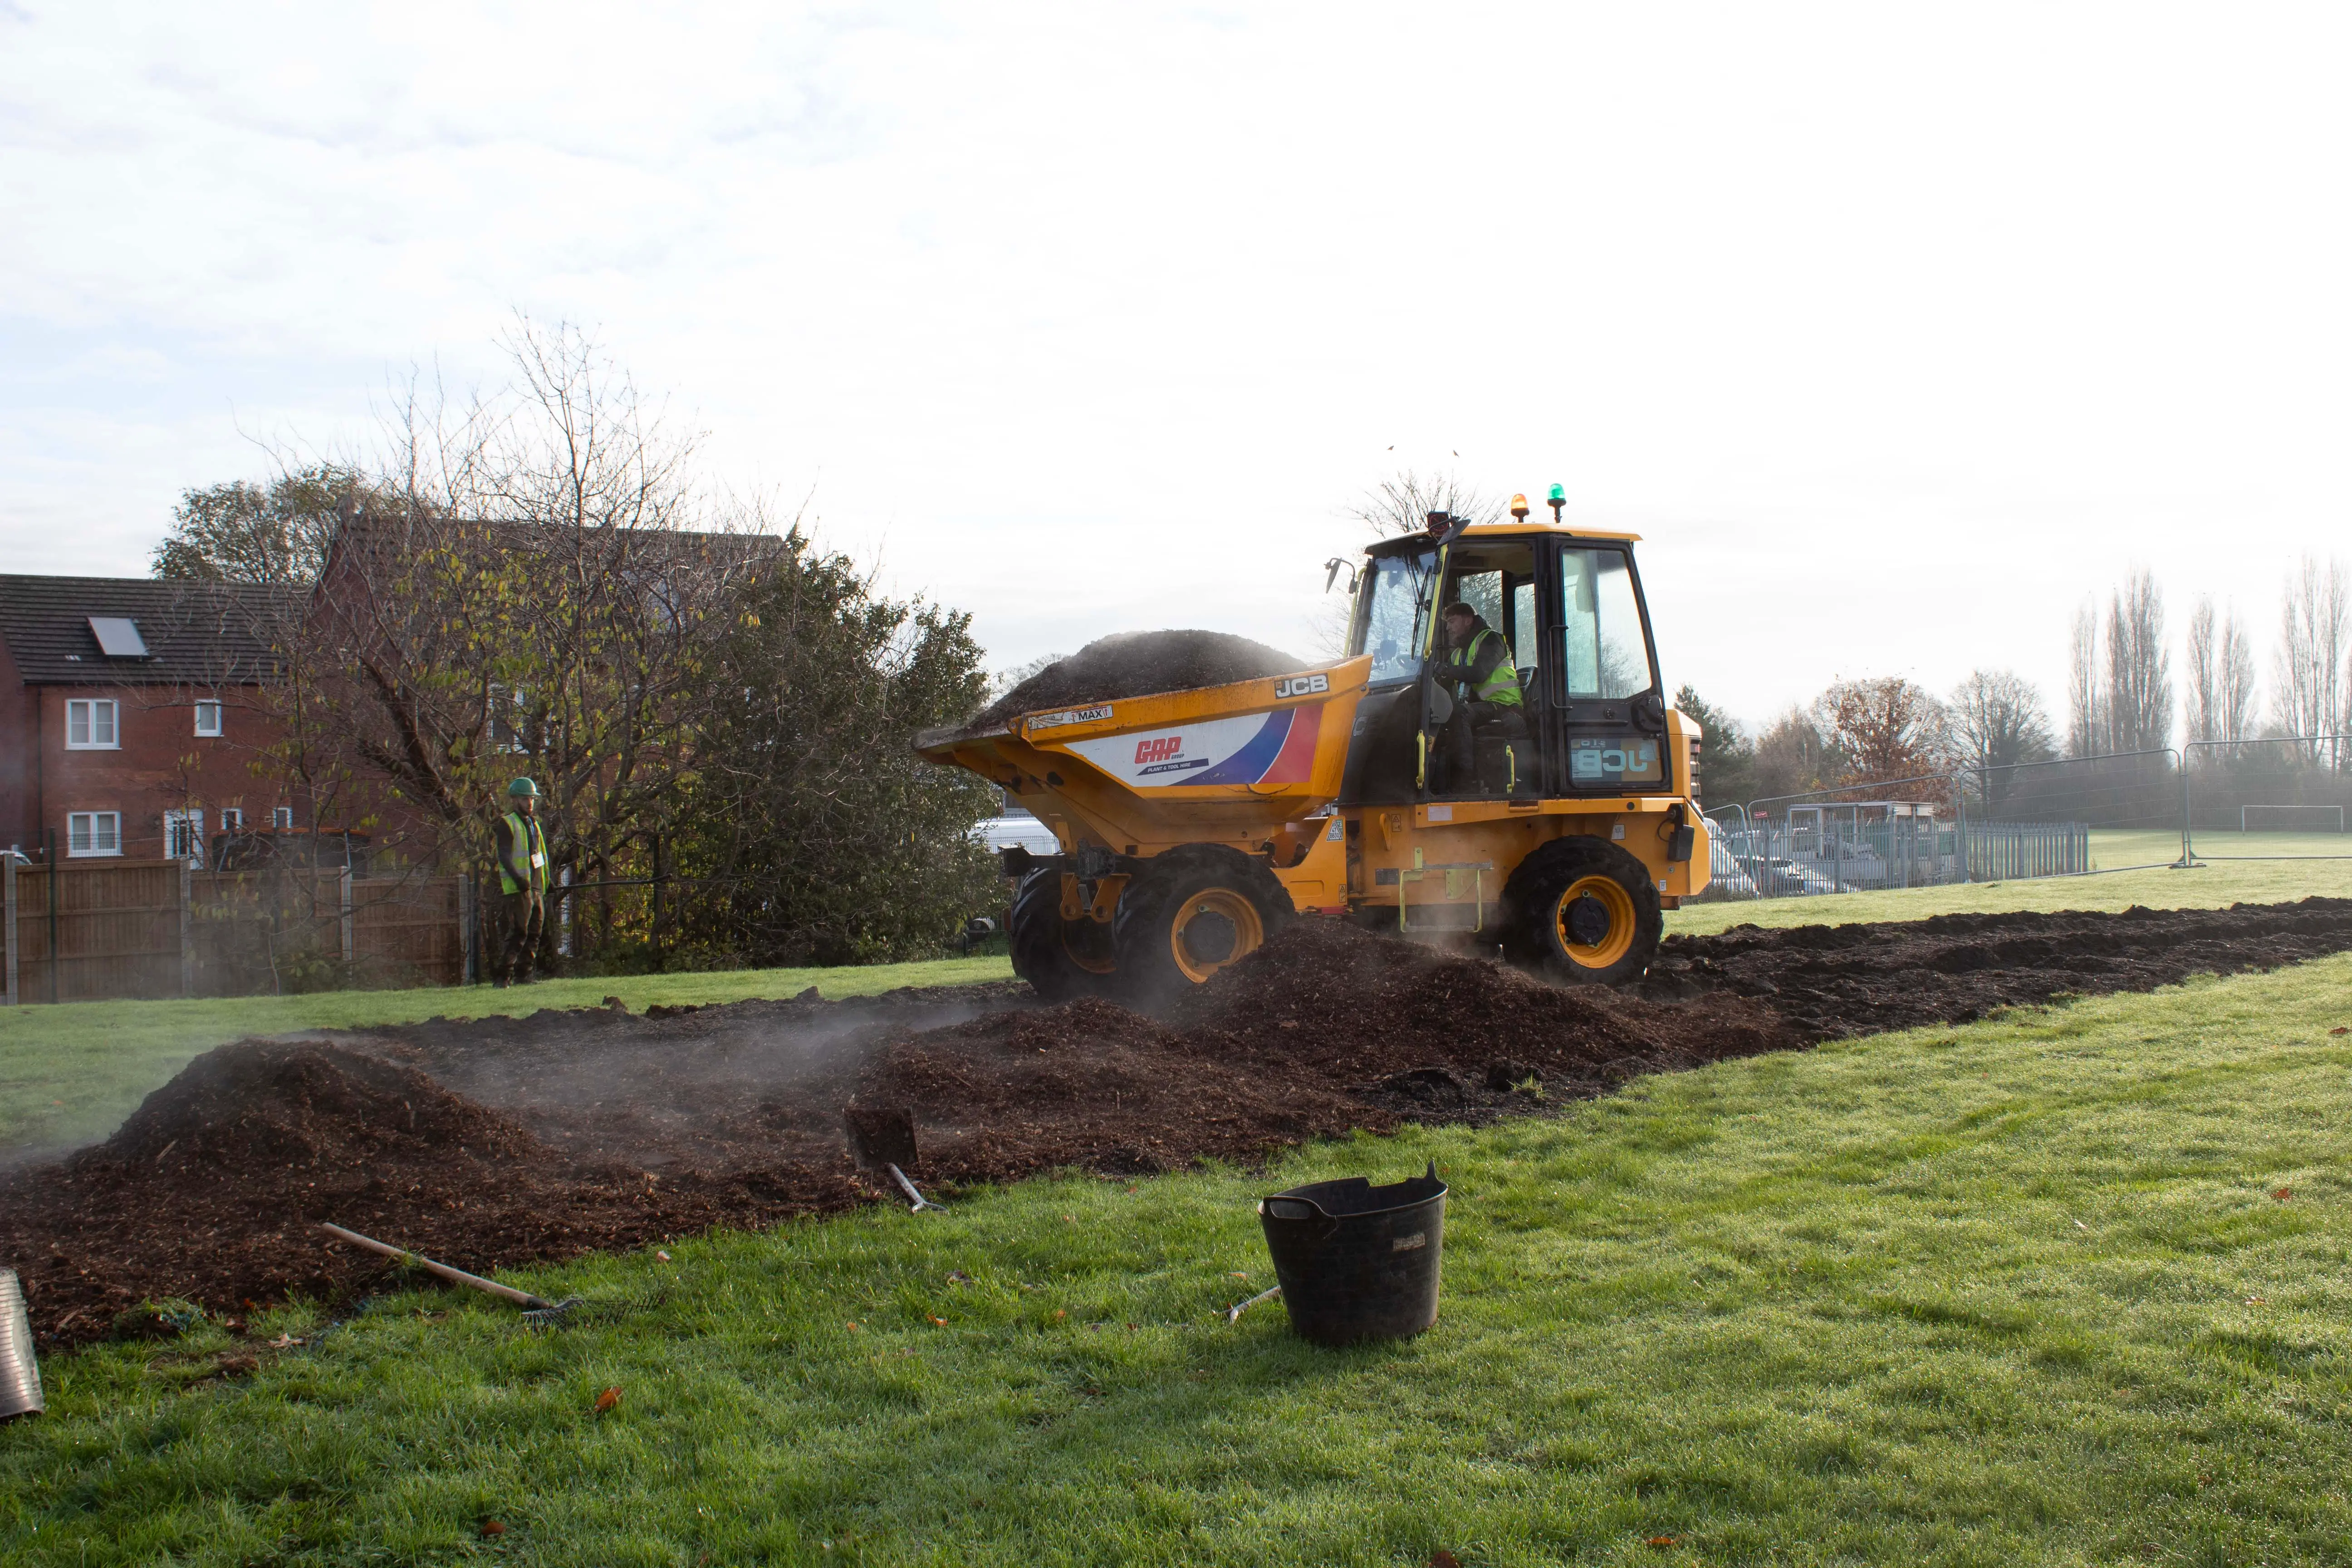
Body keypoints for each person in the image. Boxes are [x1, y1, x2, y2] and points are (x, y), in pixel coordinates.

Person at [1436, 600, 1531, 797]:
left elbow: (1479, 673)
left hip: (1506, 708)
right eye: (1447, 624)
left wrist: (1447, 670)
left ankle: (1467, 783)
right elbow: (1444, 682)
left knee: (1460, 712)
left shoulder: (1491, 640)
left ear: (1468, 620)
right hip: (1484, 710)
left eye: (1452, 622)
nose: (1448, 628)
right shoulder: (1457, 656)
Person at [492, 777, 550, 986]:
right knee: (519, 933)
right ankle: (503, 978)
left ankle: (524, 976)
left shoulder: (533, 824)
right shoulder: (508, 823)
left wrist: (546, 881)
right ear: (515, 800)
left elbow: (538, 854)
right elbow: (505, 857)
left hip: (535, 887)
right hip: (519, 889)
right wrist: (519, 880)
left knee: (535, 933)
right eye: (526, 799)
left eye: (532, 799)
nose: (530, 803)